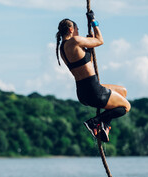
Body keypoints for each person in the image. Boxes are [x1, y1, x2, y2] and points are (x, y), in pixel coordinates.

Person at [55, 10, 131, 142]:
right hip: (94, 91)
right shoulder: (74, 41)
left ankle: (104, 125)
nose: (78, 32)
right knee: (126, 107)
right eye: (77, 29)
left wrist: (88, 49)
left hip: (83, 92)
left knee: (122, 92)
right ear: (71, 29)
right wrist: (93, 21)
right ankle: (95, 122)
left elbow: (86, 64)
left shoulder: (62, 48)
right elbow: (100, 40)